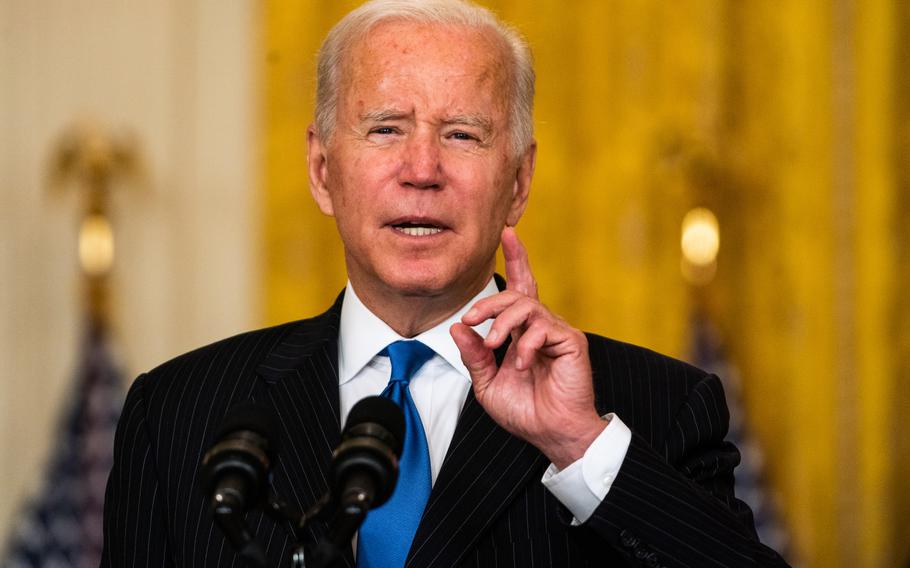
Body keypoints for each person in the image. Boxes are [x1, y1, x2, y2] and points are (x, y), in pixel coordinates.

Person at [102, 0, 790, 566]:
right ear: (321, 170)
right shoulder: (177, 413)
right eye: (386, 129)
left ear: (518, 182)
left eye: (462, 135)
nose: (422, 169)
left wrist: (580, 447)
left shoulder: (656, 409)